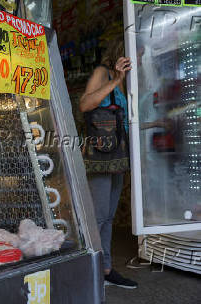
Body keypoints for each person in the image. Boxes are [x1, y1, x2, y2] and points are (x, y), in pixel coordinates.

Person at [79, 39, 138, 289]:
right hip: (100, 157)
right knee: (99, 216)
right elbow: (85, 104)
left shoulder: (127, 82)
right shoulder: (102, 73)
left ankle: (105, 269)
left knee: (109, 216)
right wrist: (116, 79)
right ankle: (89, 272)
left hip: (118, 157)